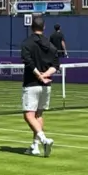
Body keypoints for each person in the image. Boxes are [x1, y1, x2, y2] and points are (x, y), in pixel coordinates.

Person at [21, 16, 58, 157]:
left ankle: (43, 139)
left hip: (32, 84)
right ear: (44, 27)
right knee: (38, 115)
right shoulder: (50, 45)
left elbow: (29, 63)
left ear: (31, 27)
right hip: (45, 85)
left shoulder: (26, 43)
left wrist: (39, 75)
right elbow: (55, 66)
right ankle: (35, 146)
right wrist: (45, 75)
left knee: (28, 115)